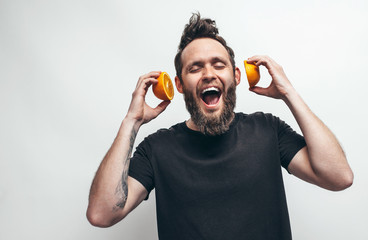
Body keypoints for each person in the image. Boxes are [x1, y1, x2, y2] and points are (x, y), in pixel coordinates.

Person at [86, 13, 353, 239]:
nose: (209, 74)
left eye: (218, 64)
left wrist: (289, 93)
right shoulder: (156, 149)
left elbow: (339, 177)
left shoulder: (268, 130)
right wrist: (131, 122)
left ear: (235, 76)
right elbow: (101, 213)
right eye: (195, 68)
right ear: (179, 85)